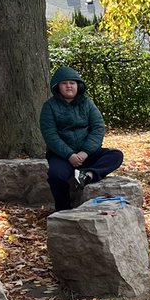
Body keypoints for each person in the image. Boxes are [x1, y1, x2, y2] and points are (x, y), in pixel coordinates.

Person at [40, 66, 124, 212]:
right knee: (56, 176)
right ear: (57, 87)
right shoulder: (49, 106)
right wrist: (69, 155)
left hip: (88, 153)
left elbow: (98, 128)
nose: (68, 86)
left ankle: (88, 175)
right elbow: (50, 134)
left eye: (72, 83)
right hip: (62, 156)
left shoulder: (87, 103)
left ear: (78, 85)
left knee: (116, 155)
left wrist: (85, 152)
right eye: (64, 83)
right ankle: (63, 211)